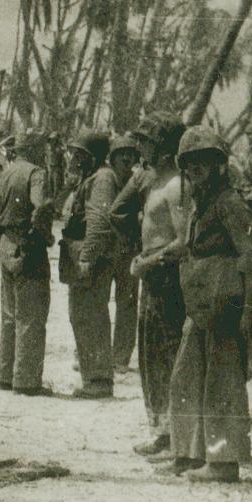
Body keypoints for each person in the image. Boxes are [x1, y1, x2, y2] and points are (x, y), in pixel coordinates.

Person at [166, 126, 252, 483]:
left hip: (226, 305)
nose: (196, 170)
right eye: (190, 164)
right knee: (186, 377)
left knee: (223, 382)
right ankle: (188, 453)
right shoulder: (202, 203)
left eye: (203, 163)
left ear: (218, 165)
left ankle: (223, 462)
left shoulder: (230, 203)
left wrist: (250, 308)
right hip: (201, 305)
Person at [111, 113, 188, 456]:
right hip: (152, 276)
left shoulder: (175, 187)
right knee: (151, 355)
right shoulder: (152, 182)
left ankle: (175, 436)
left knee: (168, 355)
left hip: (168, 278)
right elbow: (119, 212)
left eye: (147, 142)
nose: (140, 148)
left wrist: (150, 260)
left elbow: (185, 241)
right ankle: (161, 432)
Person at [0, 133, 55, 395]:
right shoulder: (37, 174)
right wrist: (43, 235)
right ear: (37, 150)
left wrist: (7, 239)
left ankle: (6, 376)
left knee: (9, 316)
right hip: (30, 247)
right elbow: (40, 208)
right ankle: (26, 381)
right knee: (31, 316)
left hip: (6, 245)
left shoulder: (3, 175)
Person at [60, 129, 119, 398]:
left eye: (79, 154)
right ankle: (92, 377)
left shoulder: (103, 178)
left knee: (91, 316)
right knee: (81, 315)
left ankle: (98, 381)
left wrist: (87, 257)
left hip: (90, 257)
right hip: (80, 253)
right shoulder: (90, 177)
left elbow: (99, 220)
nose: (74, 158)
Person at [108, 135, 141, 369]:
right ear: (113, 158)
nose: (127, 159)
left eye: (131, 154)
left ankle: (120, 358)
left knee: (127, 305)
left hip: (129, 250)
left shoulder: (139, 183)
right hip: (106, 250)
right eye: (122, 154)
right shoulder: (103, 181)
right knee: (95, 303)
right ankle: (90, 353)